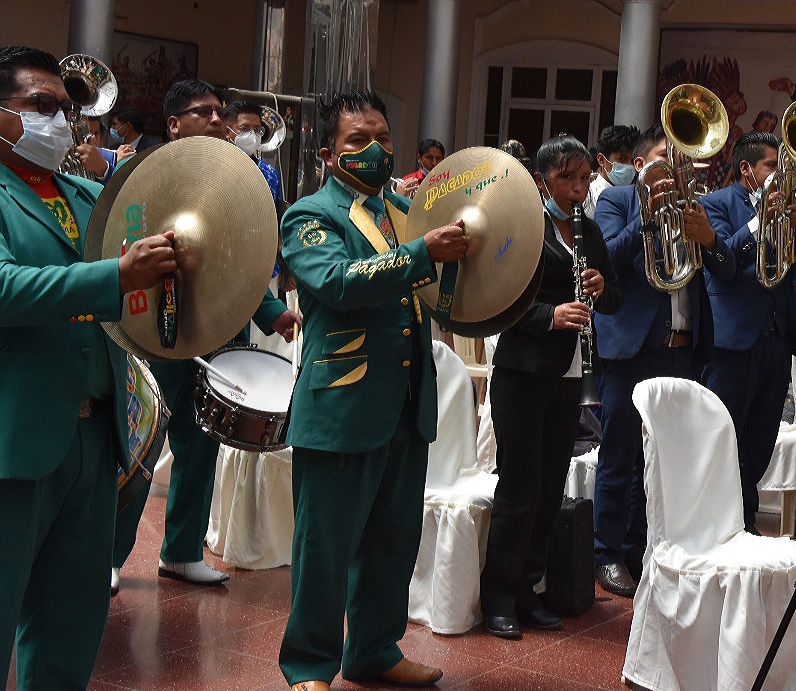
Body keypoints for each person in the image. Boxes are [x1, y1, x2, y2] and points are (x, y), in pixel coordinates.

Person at [277, 90, 466, 691]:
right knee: (325, 548)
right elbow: (336, 282)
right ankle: (309, 665)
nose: (376, 150)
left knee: (393, 540)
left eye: (383, 138)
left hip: (406, 401)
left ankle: (374, 649)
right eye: (358, 140)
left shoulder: (406, 210)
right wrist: (422, 252)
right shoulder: (310, 215)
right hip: (342, 402)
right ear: (329, 153)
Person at [0, 45, 176, 690]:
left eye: (66, 111)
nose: (59, 122)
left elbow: (135, 277)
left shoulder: (87, 195)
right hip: (15, 436)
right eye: (40, 106)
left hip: (94, 437)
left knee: (71, 623)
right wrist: (115, 276)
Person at [111, 80, 301, 592]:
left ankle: (182, 552)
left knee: (199, 447)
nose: (218, 121)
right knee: (137, 446)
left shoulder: (233, 181)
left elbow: (239, 264)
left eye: (220, 112)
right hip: (150, 331)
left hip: (212, 331)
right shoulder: (146, 173)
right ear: (174, 125)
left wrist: (271, 311)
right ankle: (110, 554)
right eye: (204, 112)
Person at [481, 135, 622, 639]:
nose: (580, 188)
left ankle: (528, 591)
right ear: (543, 181)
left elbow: (615, 298)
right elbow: (496, 299)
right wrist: (550, 315)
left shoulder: (589, 229)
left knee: (548, 490)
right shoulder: (524, 225)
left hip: (569, 375)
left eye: (585, 177)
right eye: (568, 179)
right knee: (519, 489)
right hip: (522, 372)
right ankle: (498, 597)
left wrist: (603, 288)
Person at [591, 122, 732, 597]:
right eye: (662, 158)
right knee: (620, 455)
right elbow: (607, 258)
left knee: (663, 461)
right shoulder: (617, 200)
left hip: (682, 349)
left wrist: (708, 238)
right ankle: (606, 554)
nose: (674, 168)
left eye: (680, 159)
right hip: (632, 349)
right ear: (639, 164)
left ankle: (643, 549)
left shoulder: (696, 205)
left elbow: (726, 269)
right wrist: (648, 217)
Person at [700, 130, 796, 532]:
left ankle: (745, 515)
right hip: (733, 338)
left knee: (762, 438)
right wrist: (758, 221)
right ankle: (724, 522)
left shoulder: (788, 205)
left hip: (777, 337)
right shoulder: (716, 203)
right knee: (725, 433)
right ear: (747, 169)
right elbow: (725, 261)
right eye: (772, 165)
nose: (781, 174)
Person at [224, 100, 285, 204]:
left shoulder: (270, 174)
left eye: (257, 129)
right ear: (227, 132)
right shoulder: (216, 167)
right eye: (245, 128)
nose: (252, 134)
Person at [585, 124, 640, 218]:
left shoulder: (638, 196)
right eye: (622, 159)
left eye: (632, 160)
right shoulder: (589, 198)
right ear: (601, 160)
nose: (630, 166)